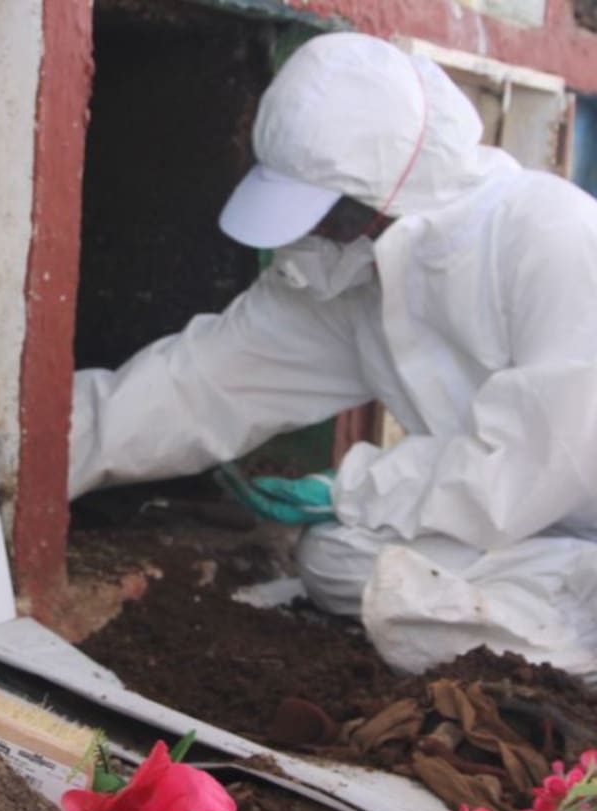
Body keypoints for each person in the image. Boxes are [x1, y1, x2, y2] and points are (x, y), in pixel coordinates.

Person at [68, 32, 597, 684]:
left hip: (549, 508)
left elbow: (538, 460)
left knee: (381, 563)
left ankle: (562, 671)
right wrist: (37, 455)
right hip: (532, 539)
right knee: (336, 559)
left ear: (392, 192)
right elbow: (198, 383)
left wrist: (352, 488)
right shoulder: (352, 275)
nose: (316, 236)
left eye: (331, 217)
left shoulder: (548, 234)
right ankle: (553, 649)